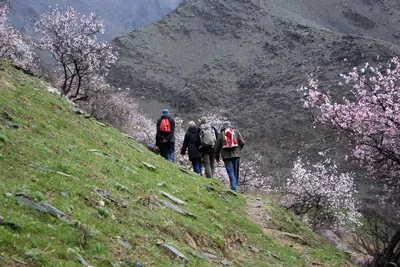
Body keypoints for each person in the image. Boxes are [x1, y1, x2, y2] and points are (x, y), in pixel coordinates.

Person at [214, 121, 245, 191]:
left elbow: (217, 147)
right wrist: (239, 149)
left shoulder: (221, 134)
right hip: (236, 155)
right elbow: (242, 142)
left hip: (226, 157)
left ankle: (233, 187)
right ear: (230, 125)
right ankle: (235, 187)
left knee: (230, 173)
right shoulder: (236, 132)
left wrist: (217, 157)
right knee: (236, 172)